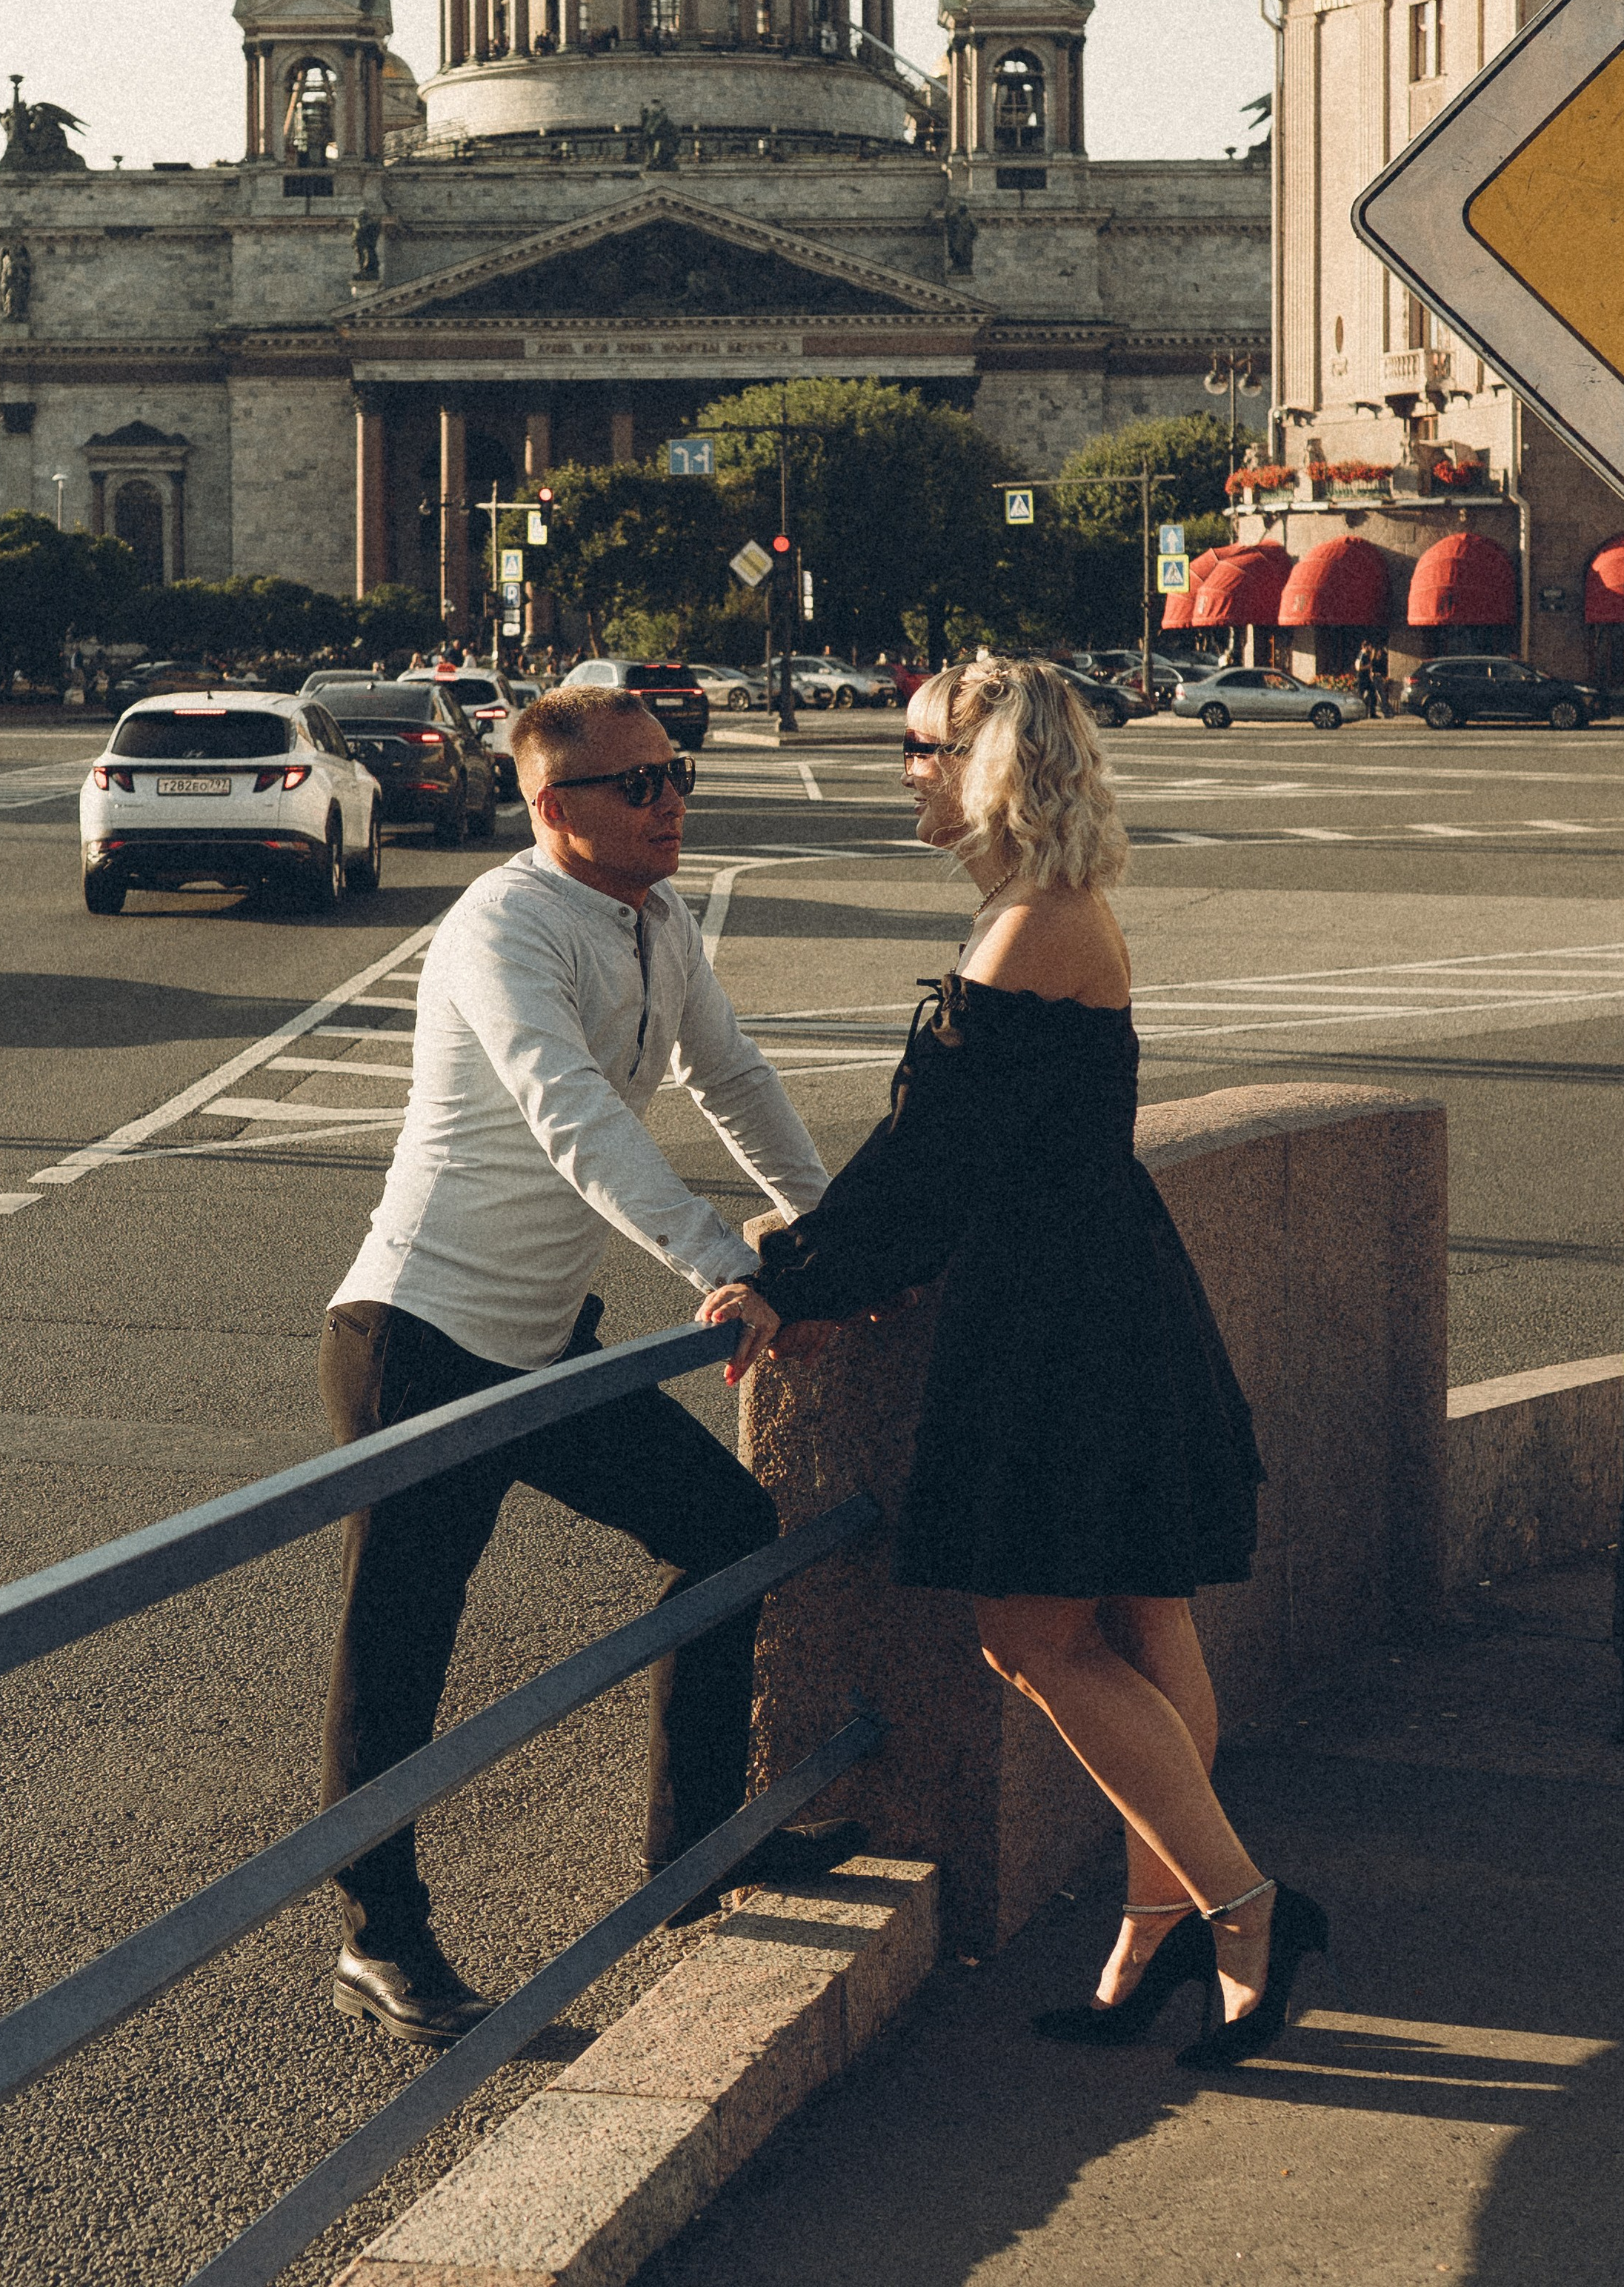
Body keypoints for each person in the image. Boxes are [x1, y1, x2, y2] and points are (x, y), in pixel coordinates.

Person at [702, 656, 1328, 2071]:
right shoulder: (1045, 911)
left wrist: (786, 1283)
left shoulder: (1025, 932)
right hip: (1105, 1294)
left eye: (920, 748)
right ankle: (1155, 1932)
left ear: (985, 766)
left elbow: (930, 1167)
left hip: (1058, 1321)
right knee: (1143, 1621)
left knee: (1035, 1637)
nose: (903, 770)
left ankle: (1246, 1913)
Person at [318, 685, 859, 2046]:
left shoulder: (660, 920)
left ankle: (696, 1850)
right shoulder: (503, 926)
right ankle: (382, 1941)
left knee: (730, 1532)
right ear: (556, 809)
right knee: (401, 1654)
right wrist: (711, 1263)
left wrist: (836, 1237)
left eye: (677, 773)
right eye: (638, 785)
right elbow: (571, 1117)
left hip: (545, 1344)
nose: (671, 799)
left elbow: (732, 1077)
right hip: (421, 1341)